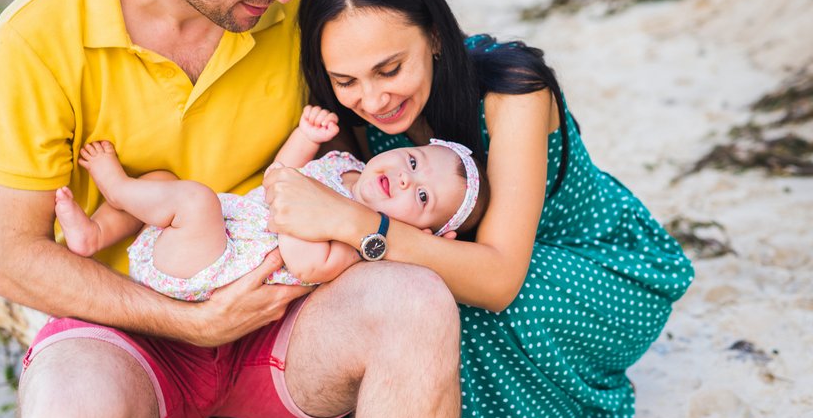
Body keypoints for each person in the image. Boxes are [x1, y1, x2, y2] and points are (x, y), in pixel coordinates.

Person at [0, 0, 461, 418]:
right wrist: (189, 322)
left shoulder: (304, 6)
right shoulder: (36, 35)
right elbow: (11, 256)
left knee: (419, 302)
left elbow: (409, 108)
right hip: (123, 331)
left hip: (288, 320)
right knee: (70, 414)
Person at [264, 0, 696, 418]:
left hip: (595, 266)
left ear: (434, 37)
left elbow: (497, 281)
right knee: (400, 299)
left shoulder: (512, 90)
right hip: (465, 257)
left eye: (390, 69)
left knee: (453, 305)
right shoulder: (354, 110)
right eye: (346, 80)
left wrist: (358, 223)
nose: (372, 99)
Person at [54, 105, 488, 298]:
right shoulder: (345, 165)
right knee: (165, 183)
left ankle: (115, 186)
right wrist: (306, 137)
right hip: (215, 229)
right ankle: (97, 233)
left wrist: (309, 215)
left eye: (423, 196)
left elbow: (305, 266)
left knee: (194, 200)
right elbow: (278, 176)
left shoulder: (359, 250)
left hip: (213, 268)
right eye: (412, 162)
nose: (405, 179)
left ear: (424, 232)